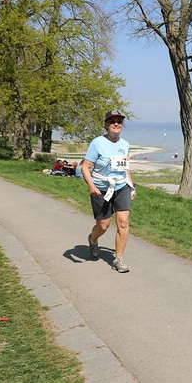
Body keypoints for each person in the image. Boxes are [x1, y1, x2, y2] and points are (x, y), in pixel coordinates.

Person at [81, 110, 136, 273]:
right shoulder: (97, 143)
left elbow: (125, 168)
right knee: (103, 225)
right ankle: (93, 239)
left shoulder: (124, 145)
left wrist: (131, 186)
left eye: (119, 121)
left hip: (121, 187)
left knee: (123, 223)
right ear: (106, 125)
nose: (116, 123)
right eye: (112, 121)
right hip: (101, 189)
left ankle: (118, 259)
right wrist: (91, 186)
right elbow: (85, 166)